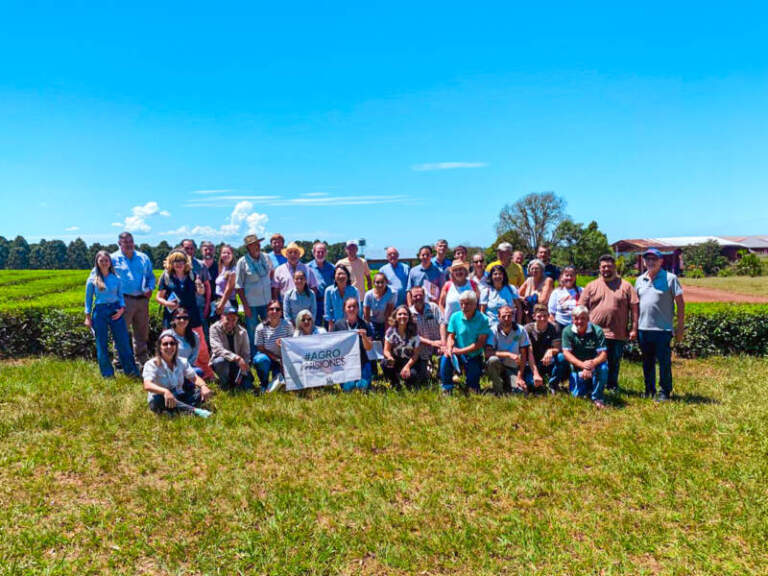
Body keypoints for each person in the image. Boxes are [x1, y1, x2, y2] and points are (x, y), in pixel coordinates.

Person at [579, 254, 639, 392]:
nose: (606, 269)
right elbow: (581, 308)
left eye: (609, 266)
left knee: (614, 362)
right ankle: (592, 386)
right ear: (599, 268)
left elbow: (634, 309)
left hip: (617, 333)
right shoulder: (591, 286)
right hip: (594, 333)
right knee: (593, 361)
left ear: (615, 267)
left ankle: (612, 386)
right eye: (603, 266)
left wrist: (634, 329)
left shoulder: (626, 286)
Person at [635, 248, 685, 401]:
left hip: (663, 329)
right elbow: (635, 304)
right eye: (647, 259)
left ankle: (665, 391)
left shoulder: (670, 278)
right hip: (643, 328)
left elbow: (680, 304)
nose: (650, 262)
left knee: (664, 363)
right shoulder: (639, 280)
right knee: (647, 362)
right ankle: (649, 389)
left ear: (661, 261)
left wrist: (680, 326)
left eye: (653, 259)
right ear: (644, 262)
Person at [156, 249, 214, 379]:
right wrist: (167, 303)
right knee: (170, 345)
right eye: (176, 260)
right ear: (171, 262)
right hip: (172, 317)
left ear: (186, 262)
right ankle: (169, 374)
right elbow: (159, 297)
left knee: (201, 346)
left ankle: (206, 373)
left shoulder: (192, 275)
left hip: (191, 315)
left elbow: (200, 292)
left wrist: (200, 287)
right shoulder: (166, 277)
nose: (179, 263)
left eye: (181, 260)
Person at [84, 250, 139, 378]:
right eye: (101, 260)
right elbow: (88, 299)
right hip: (100, 311)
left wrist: (121, 309)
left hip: (116, 311)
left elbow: (121, 297)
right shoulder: (92, 279)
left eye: (106, 260)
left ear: (110, 262)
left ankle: (131, 371)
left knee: (123, 342)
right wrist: (87, 317)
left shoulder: (116, 278)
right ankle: (108, 374)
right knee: (101, 344)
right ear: (97, 262)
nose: (104, 263)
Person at [111, 231, 155, 365]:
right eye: (126, 242)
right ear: (119, 243)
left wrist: (150, 288)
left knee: (142, 333)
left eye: (131, 241)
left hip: (142, 300)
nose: (129, 244)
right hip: (123, 301)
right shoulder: (112, 259)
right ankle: (119, 361)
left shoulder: (143, 258)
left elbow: (150, 277)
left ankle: (141, 361)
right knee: (121, 332)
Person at [142, 332, 212, 414]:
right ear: (159, 347)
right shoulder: (151, 364)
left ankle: (178, 410)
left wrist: (203, 386)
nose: (169, 346)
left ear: (176, 346)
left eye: (172, 343)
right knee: (158, 400)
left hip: (179, 395)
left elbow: (194, 377)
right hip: (161, 397)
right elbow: (147, 385)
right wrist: (165, 391)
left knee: (200, 393)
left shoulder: (182, 361)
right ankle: (195, 411)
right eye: (165, 344)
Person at [439, 291, 491, 394]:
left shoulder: (483, 319)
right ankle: (447, 387)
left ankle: (470, 385)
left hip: (474, 355)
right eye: (462, 303)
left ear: (475, 304)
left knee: (473, 389)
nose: (464, 306)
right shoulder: (455, 316)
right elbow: (451, 336)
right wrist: (449, 348)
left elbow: (479, 343)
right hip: (458, 352)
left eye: (467, 304)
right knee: (445, 357)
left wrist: (460, 351)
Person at [561, 306, 609, 409]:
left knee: (604, 368)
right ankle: (588, 386)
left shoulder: (597, 331)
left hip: (594, 365)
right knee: (577, 396)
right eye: (576, 318)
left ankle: (597, 397)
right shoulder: (567, 331)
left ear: (588, 319)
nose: (579, 321)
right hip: (577, 366)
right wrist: (583, 365)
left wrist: (591, 365)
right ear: (572, 319)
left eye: (583, 318)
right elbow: (566, 353)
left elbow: (603, 354)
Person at [235, 234, 273, 356]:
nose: (257, 246)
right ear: (248, 247)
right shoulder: (242, 262)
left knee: (269, 329)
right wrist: (245, 306)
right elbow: (238, 286)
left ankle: (269, 353)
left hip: (267, 303)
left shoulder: (266, 257)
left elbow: (271, 274)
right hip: (251, 305)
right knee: (253, 331)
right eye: (253, 245)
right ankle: (254, 356)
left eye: (258, 244)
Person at [525, 304, 570, 393]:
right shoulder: (527, 329)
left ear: (549, 316)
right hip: (532, 362)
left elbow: (557, 348)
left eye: (545, 316)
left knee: (562, 357)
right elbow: (529, 351)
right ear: (534, 316)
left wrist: (550, 351)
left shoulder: (554, 327)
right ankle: (539, 383)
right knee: (531, 385)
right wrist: (535, 373)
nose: (542, 319)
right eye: (539, 316)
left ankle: (553, 384)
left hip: (548, 361)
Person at [485, 305, 530, 395]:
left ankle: (508, 385)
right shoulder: (493, 331)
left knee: (521, 393)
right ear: (498, 317)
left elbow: (524, 355)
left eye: (509, 316)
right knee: (492, 360)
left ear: (513, 317)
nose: (506, 318)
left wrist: (519, 377)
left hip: (513, 368)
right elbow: (488, 353)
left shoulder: (520, 330)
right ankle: (498, 391)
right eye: (503, 316)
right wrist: (508, 354)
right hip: (498, 366)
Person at [209, 305, 255, 391]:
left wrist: (243, 372)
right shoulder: (214, 328)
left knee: (246, 386)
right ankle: (225, 384)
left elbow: (246, 354)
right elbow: (217, 349)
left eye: (233, 320)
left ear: (237, 319)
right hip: (223, 362)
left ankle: (237, 381)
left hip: (238, 365)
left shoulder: (243, 331)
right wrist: (236, 358)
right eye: (228, 319)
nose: (230, 322)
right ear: (222, 317)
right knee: (220, 361)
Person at [333, 297, 374, 391]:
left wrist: (364, 337)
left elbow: (369, 347)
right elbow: (334, 345)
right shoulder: (338, 325)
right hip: (345, 363)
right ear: (344, 309)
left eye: (354, 306)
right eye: (349, 307)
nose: (352, 309)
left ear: (358, 308)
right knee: (349, 388)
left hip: (362, 361)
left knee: (362, 387)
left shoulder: (364, 325)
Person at [252, 300, 293, 391]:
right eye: (271, 309)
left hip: (284, 358)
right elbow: (260, 348)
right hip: (268, 358)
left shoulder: (287, 325)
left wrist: (283, 346)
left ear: (281, 312)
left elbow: (292, 345)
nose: (274, 311)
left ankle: (275, 383)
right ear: (267, 312)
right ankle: (264, 383)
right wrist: (277, 359)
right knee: (260, 360)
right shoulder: (260, 328)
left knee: (279, 385)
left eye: (277, 309)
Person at [383, 305, 426, 388]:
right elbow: (386, 350)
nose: (402, 316)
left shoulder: (414, 332)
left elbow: (416, 355)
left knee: (412, 375)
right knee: (385, 363)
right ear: (395, 316)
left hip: (410, 360)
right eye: (399, 314)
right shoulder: (390, 331)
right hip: (396, 359)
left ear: (409, 317)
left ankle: (408, 382)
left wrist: (407, 366)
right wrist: (389, 357)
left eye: (405, 314)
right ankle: (394, 382)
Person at [409, 285, 445, 378]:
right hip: (422, 346)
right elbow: (414, 335)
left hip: (438, 342)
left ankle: (445, 375)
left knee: (446, 355)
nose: (418, 298)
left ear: (424, 295)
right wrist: (432, 343)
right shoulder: (409, 313)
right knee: (424, 377)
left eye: (420, 295)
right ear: (411, 298)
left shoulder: (434, 307)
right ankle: (428, 368)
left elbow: (442, 324)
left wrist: (443, 342)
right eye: (415, 296)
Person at [181, 239, 212, 331]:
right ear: (181, 248)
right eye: (187, 248)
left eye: (192, 248)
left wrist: (207, 305)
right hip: (181, 306)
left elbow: (208, 287)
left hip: (198, 305)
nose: (189, 251)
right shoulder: (175, 264)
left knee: (202, 333)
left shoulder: (201, 265)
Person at [163, 307, 201, 374]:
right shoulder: (167, 335)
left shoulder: (195, 336)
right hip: (169, 367)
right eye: (179, 318)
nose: (182, 320)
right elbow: (162, 354)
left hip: (187, 367)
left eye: (185, 318)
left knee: (199, 372)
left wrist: (185, 367)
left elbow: (194, 355)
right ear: (174, 320)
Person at [323, 264, 360, 331]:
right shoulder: (328, 291)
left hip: (350, 325)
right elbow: (328, 312)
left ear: (347, 276)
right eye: (338, 274)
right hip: (334, 325)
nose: (341, 276)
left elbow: (358, 310)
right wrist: (331, 329)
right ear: (334, 276)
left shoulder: (354, 291)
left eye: (343, 274)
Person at [307, 242, 335, 326]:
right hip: (313, 302)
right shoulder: (307, 268)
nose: (320, 254)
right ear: (313, 253)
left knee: (329, 325)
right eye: (318, 252)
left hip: (328, 302)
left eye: (322, 252)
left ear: (326, 253)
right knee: (315, 325)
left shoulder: (332, 268)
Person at [210, 243, 238, 326]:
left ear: (232, 255)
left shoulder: (233, 270)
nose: (226, 255)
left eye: (228, 253)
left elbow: (229, 289)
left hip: (227, 302)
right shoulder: (222, 268)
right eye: (223, 253)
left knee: (227, 326)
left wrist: (221, 305)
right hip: (219, 300)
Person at [519, 259, 554, 323]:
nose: (534, 270)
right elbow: (517, 295)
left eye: (537, 268)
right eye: (532, 268)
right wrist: (526, 299)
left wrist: (526, 299)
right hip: (529, 315)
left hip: (543, 314)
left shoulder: (548, 280)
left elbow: (542, 301)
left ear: (542, 270)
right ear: (529, 270)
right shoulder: (528, 280)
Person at [548, 266, 582, 334]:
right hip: (560, 325)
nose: (569, 278)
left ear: (575, 277)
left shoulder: (582, 291)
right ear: (562, 276)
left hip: (577, 325)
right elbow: (552, 313)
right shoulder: (556, 292)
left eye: (571, 275)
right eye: (567, 275)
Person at [364, 272, 395, 341]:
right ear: (373, 283)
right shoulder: (368, 294)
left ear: (386, 282)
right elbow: (366, 315)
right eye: (377, 282)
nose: (380, 285)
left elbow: (388, 313)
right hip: (372, 321)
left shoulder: (392, 293)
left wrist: (387, 332)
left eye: (382, 282)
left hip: (385, 321)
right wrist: (369, 331)